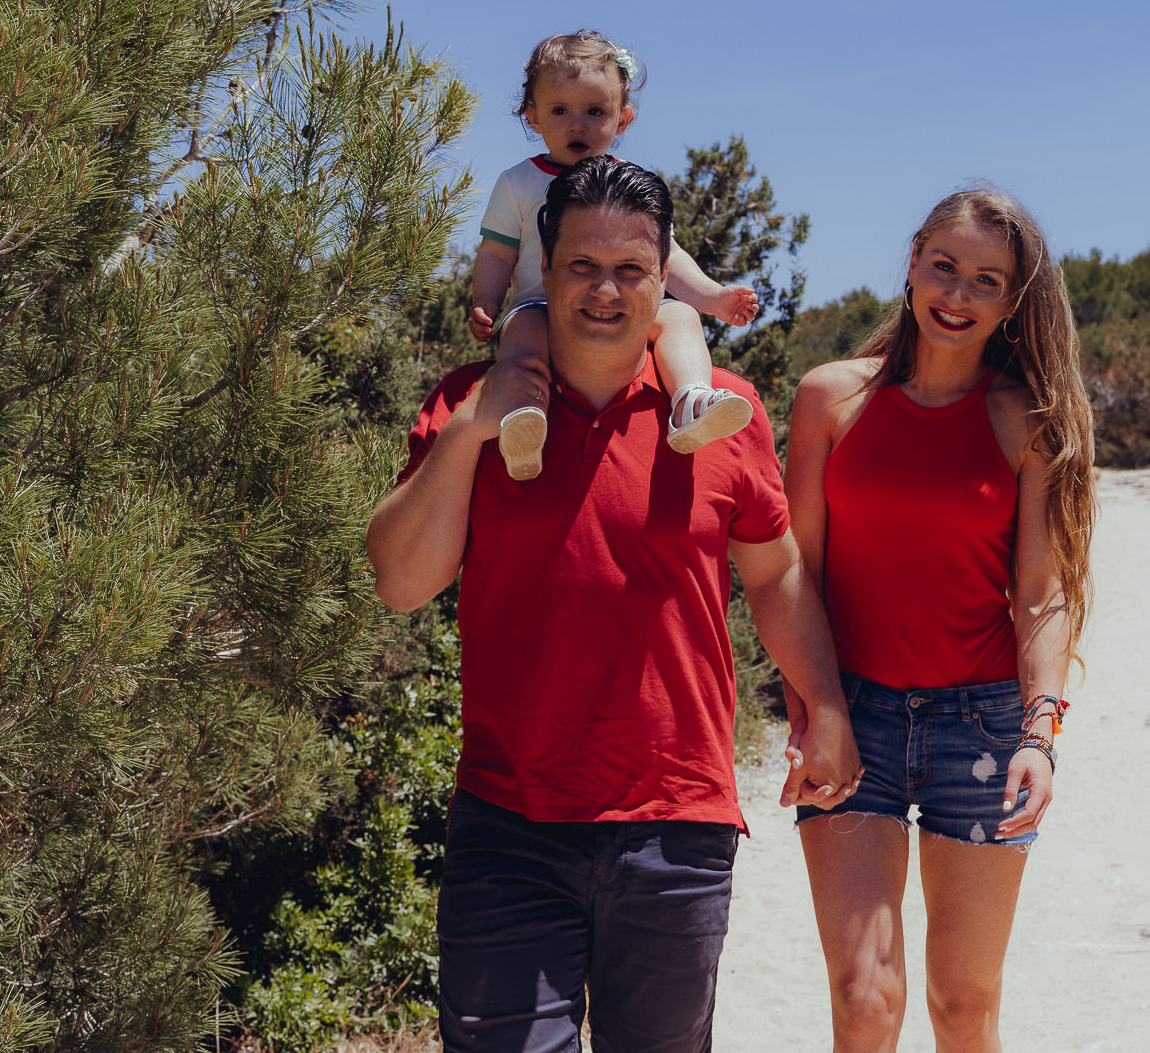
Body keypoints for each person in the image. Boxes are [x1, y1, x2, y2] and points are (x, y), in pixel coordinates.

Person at [368, 155, 861, 1053]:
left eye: (632, 269)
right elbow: (401, 581)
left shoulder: (723, 413)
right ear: (544, 271)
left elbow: (777, 575)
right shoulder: (470, 408)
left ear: (661, 274)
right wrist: (476, 426)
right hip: (509, 821)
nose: (606, 289)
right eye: (582, 267)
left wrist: (825, 705)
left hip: (677, 822)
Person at [783, 188, 1097, 1053]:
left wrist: (1042, 730)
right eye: (944, 267)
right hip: (855, 717)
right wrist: (817, 711)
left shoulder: (1026, 420)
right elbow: (791, 575)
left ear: (1013, 300)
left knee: (964, 1007)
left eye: (985, 281)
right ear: (914, 261)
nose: (956, 296)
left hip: (984, 727)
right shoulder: (829, 400)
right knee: (864, 999)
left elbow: (1043, 594)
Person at [469, 30, 760, 480]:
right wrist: (486, 301)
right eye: (560, 110)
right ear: (533, 117)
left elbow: (669, 256)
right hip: (539, 307)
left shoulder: (632, 187)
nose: (577, 124)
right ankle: (524, 424)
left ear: (622, 119)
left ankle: (691, 400)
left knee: (680, 318)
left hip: (621, 307)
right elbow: (496, 253)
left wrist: (712, 297)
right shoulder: (517, 183)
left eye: (595, 111)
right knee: (523, 338)